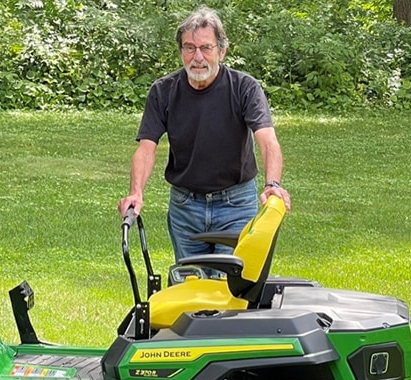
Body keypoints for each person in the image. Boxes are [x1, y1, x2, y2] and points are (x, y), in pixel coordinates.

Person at [117, 6, 291, 262]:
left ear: (222, 50)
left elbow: (267, 140)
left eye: (206, 48)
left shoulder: (245, 88)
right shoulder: (163, 91)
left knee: (229, 290)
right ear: (181, 52)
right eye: (189, 48)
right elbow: (146, 148)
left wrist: (272, 184)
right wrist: (136, 192)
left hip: (236, 204)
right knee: (190, 288)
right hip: (185, 207)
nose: (197, 57)